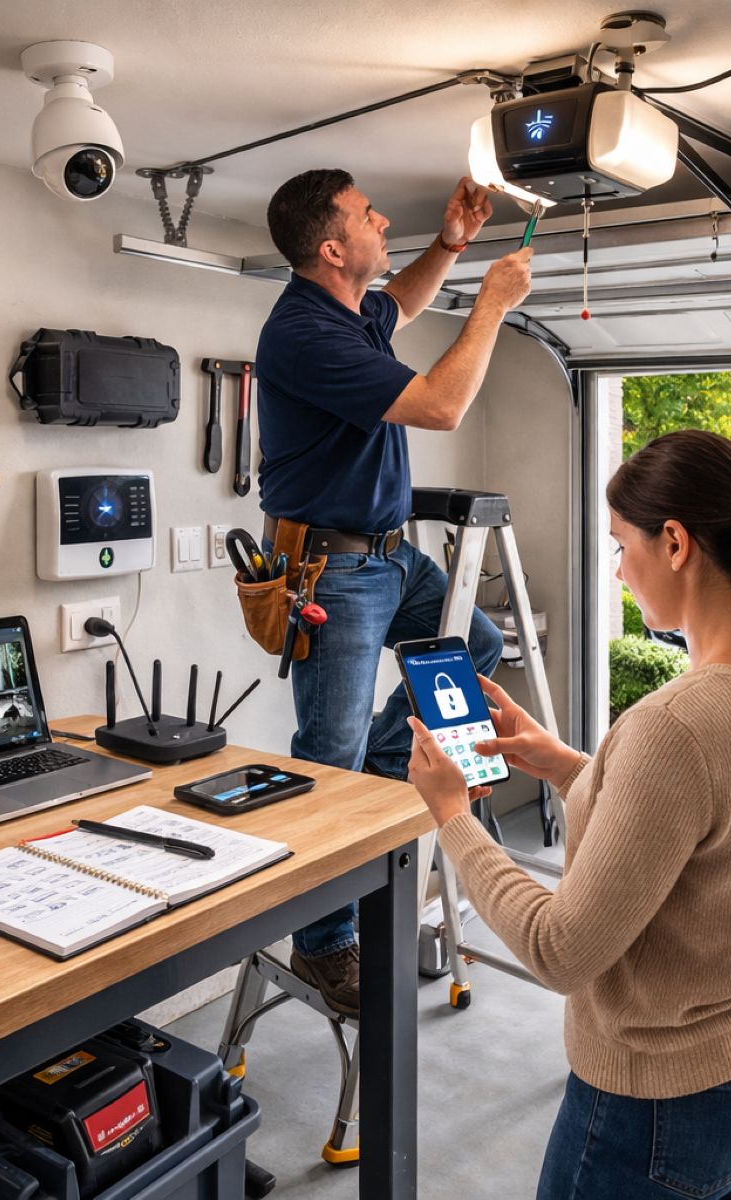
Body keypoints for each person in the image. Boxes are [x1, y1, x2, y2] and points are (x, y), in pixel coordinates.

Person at [406, 430, 731, 1199]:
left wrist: (454, 817)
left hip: (669, 1100)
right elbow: (703, 828)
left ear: (675, 543)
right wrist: (562, 764)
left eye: (622, 545)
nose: (617, 570)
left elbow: (559, 951)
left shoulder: (674, 726)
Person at [254, 168, 534, 1017]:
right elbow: (442, 407)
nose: (383, 222)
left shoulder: (350, 313)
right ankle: (322, 945)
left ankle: (391, 768)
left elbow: (400, 302)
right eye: (368, 216)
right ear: (333, 250)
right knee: (327, 754)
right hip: (332, 570)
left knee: (476, 646)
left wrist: (450, 245)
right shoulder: (304, 334)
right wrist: (492, 304)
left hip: (390, 556)